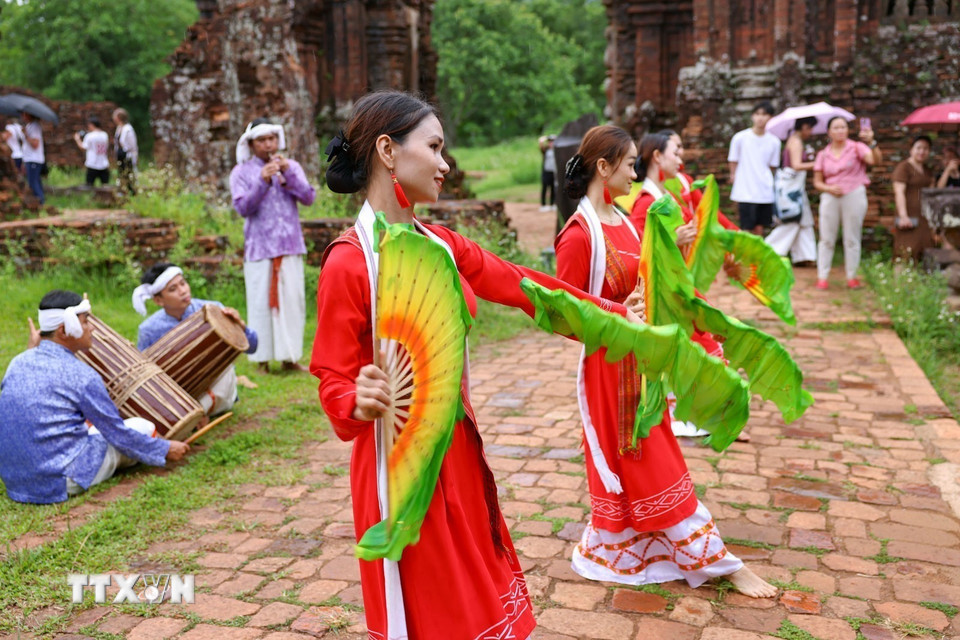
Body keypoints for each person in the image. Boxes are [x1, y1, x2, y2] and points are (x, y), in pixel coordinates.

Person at [312, 90, 640, 640]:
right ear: (388, 150)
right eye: (435, 147)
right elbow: (332, 376)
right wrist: (354, 398)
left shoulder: (439, 244)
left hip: (458, 452)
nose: (445, 164)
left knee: (478, 600)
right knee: (430, 609)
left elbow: (527, 286)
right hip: (399, 467)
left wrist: (615, 317)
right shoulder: (351, 262)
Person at [556, 124, 776, 598]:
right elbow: (566, 316)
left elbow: (651, 281)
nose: (635, 171)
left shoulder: (622, 221)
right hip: (609, 369)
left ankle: (632, 543)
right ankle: (717, 559)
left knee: (644, 454)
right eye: (630, 163)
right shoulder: (578, 236)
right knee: (649, 454)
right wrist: (617, 312)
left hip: (641, 360)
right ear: (603, 167)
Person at [0, 290, 189, 504]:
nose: (92, 328)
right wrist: (164, 449)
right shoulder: (82, 375)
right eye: (86, 321)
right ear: (63, 330)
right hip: (60, 481)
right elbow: (116, 434)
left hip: (14, 481)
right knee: (141, 426)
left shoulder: (17, 362)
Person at [230, 118, 315, 374]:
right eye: (262, 140)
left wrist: (287, 173)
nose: (268, 144)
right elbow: (243, 208)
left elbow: (309, 197)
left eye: (272, 139)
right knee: (260, 305)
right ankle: (262, 360)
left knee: (292, 304)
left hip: (290, 245)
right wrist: (262, 181)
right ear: (252, 144)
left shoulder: (291, 167)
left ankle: (289, 358)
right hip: (259, 248)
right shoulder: (241, 172)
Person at [134, 262, 258, 416]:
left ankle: (195, 413)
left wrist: (241, 327)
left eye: (183, 283)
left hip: (215, 386)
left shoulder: (212, 309)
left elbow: (253, 347)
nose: (183, 291)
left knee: (225, 367)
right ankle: (191, 412)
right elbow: (144, 375)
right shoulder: (148, 329)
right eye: (173, 289)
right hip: (177, 391)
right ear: (159, 300)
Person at [813, 116, 882, 289]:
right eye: (836, 128)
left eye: (843, 127)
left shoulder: (857, 147)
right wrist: (829, 189)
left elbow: (875, 161)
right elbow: (817, 181)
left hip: (854, 193)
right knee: (826, 237)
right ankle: (822, 276)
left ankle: (852, 276)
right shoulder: (823, 154)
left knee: (852, 236)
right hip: (831, 196)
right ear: (829, 132)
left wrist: (872, 142)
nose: (840, 131)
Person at [765, 116, 818, 265]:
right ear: (805, 127)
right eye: (810, 128)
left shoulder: (796, 140)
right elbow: (796, 165)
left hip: (796, 187)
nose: (812, 132)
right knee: (792, 219)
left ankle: (805, 257)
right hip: (790, 188)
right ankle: (769, 250)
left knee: (804, 220)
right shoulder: (795, 141)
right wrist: (818, 162)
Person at [728, 101, 781, 234]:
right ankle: (745, 254)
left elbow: (772, 166)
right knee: (746, 226)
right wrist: (733, 176)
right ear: (752, 116)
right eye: (757, 114)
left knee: (760, 226)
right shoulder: (740, 138)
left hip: (764, 190)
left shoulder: (774, 142)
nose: (760, 118)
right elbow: (733, 160)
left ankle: (757, 254)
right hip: (745, 189)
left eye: (764, 114)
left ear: (770, 117)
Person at [892, 135, 936, 261]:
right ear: (911, 149)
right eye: (919, 148)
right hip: (909, 217)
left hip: (924, 217)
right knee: (905, 250)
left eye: (926, 148)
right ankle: (899, 280)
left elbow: (932, 192)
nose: (922, 151)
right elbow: (899, 192)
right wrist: (903, 216)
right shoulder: (904, 167)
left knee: (925, 250)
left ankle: (922, 280)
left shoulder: (927, 170)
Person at [73, 116, 110, 187]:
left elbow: (83, 147)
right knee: (105, 186)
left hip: (92, 164)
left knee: (89, 186)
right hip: (104, 163)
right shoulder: (105, 135)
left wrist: (77, 139)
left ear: (91, 124)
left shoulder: (90, 136)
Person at [112, 109, 138, 195]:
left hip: (127, 155)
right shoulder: (119, 128)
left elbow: (132, 145)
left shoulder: (128, 129)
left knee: (128, 173)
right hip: (120, 155)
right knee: (121, 173)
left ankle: (131, 192)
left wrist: (134, 156)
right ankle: (122, 191)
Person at [21, 111, 45, 204]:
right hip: (29, 159)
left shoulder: (35, 126)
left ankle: (40, 203)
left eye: (24, 114)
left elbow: (35, 144)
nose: (23, 116)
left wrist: (26, 134)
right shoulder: (29, 126)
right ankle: (40, 202)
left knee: (33, 182)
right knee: (35, 181)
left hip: (34, 159)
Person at [539, 134, 557, 211]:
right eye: (550, 142)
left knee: (553, 188)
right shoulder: (545, 150)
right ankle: (543, 204)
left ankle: (552, 204)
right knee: (545, 188)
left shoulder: (556, 151)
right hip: (546, 172)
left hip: (554, 172)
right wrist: (545, 138)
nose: (551, 143)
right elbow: (540, 142)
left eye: (552, 142)